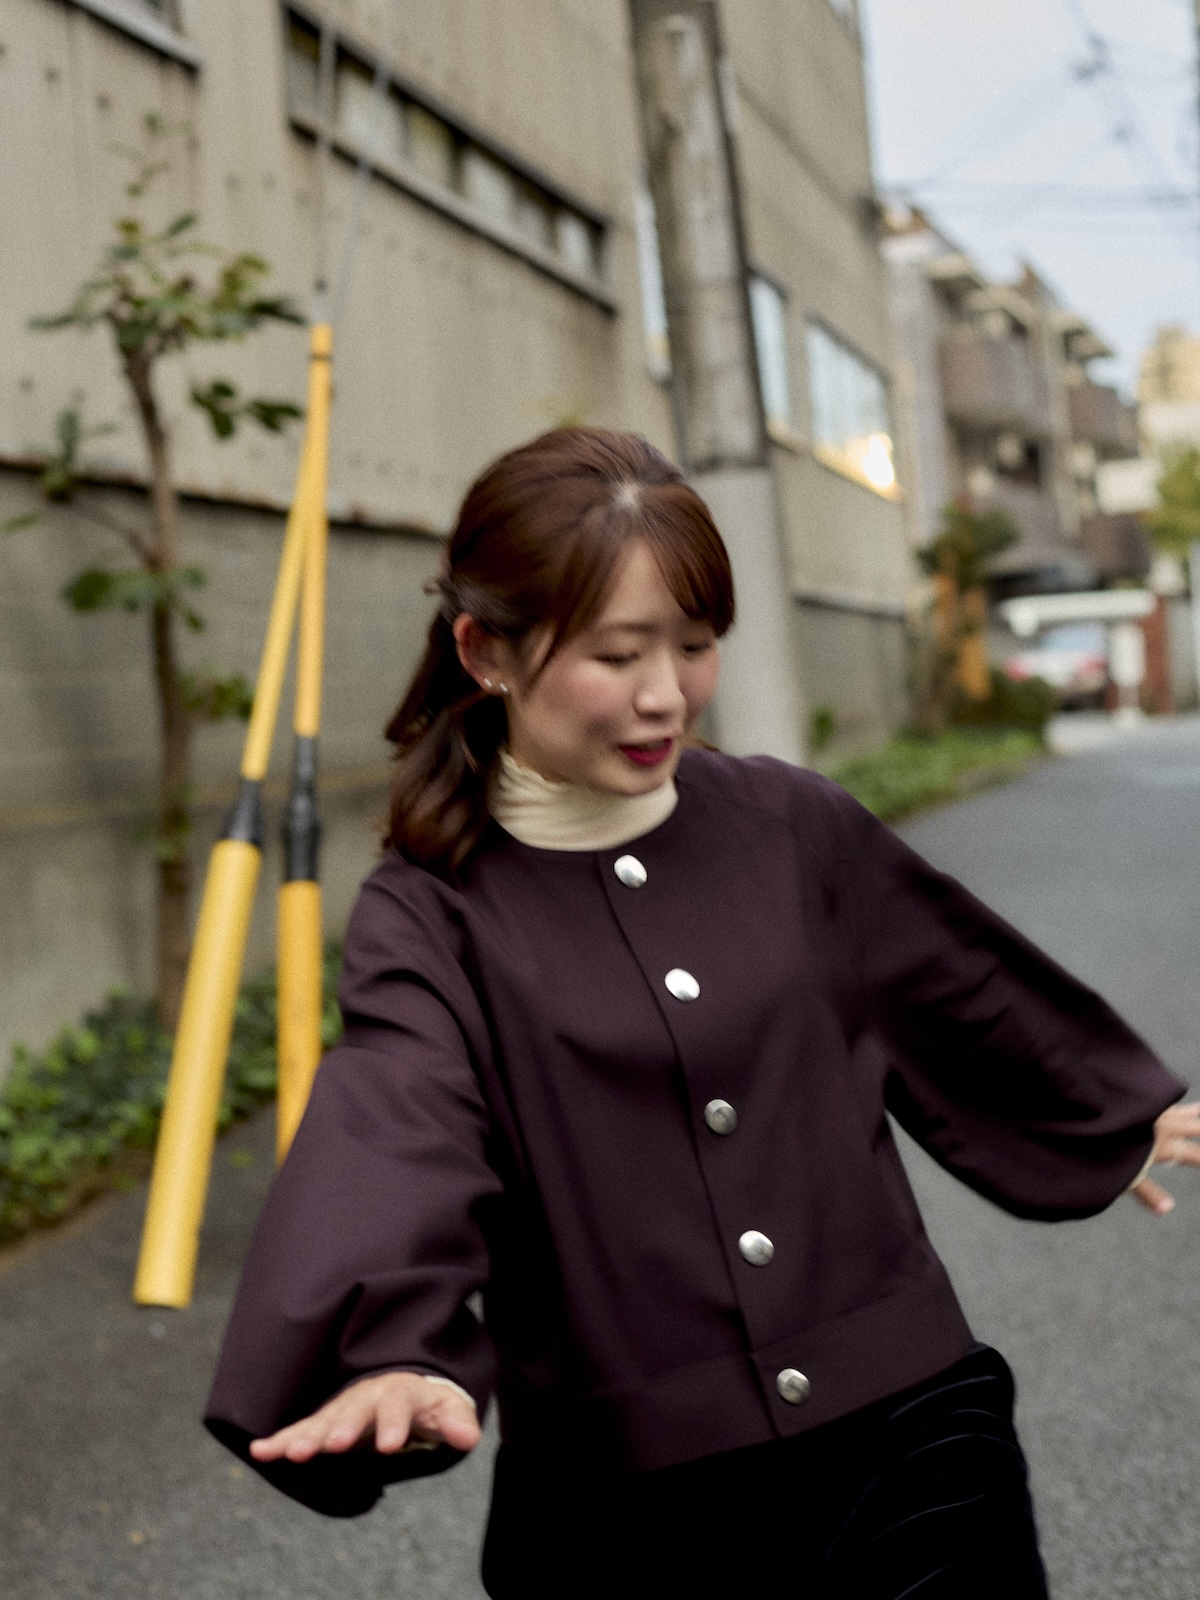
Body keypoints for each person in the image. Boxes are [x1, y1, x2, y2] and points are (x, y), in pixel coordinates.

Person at [206, 427, 1197, 1598]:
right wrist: (390, 1348)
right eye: (617, 653)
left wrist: (1101, 1105)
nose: (665, 694)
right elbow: (397, 1120)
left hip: (913, 1445)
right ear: (485, 650)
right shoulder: (432, 914)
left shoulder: (791, 826)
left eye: (693, 643)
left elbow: (953, 980)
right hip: (625, 1509)